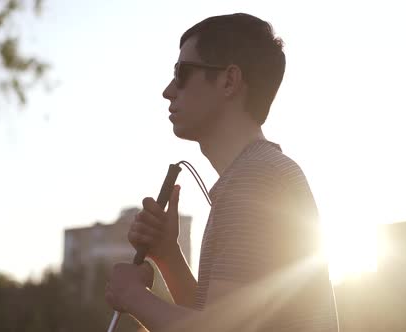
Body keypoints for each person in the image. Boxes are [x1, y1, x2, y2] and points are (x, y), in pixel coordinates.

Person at [105, 13, 339, 332]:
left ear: (229, 81)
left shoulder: (256, 179)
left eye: (182, 73)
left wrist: (131, 296)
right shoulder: (255, 174)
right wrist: (167, 255)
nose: (168, 91)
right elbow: (221, 319)